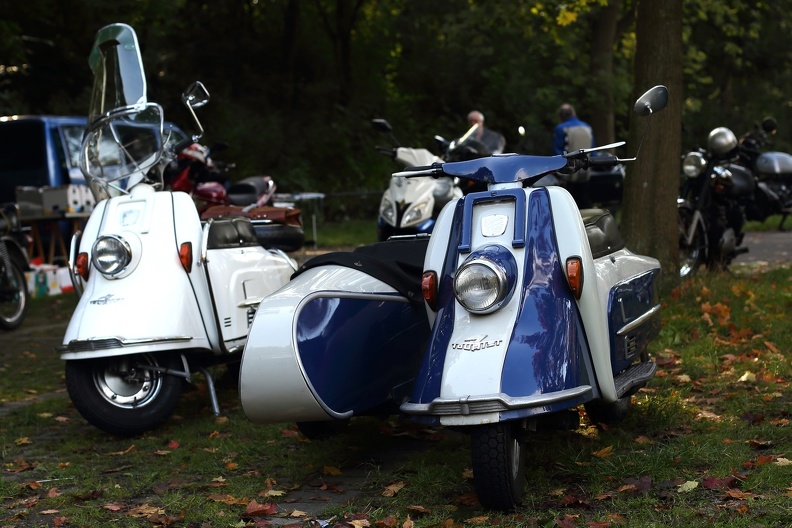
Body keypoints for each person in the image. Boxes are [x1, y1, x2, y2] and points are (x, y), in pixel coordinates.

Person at [553, 103, 594, 209]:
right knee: (585, 201)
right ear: (573, 113)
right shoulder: (587, 127)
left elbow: (558, 152)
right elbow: (593, 150)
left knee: (569, 203)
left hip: (568, 174)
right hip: (586, 171)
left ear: (561, 116)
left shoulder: (561, 129)